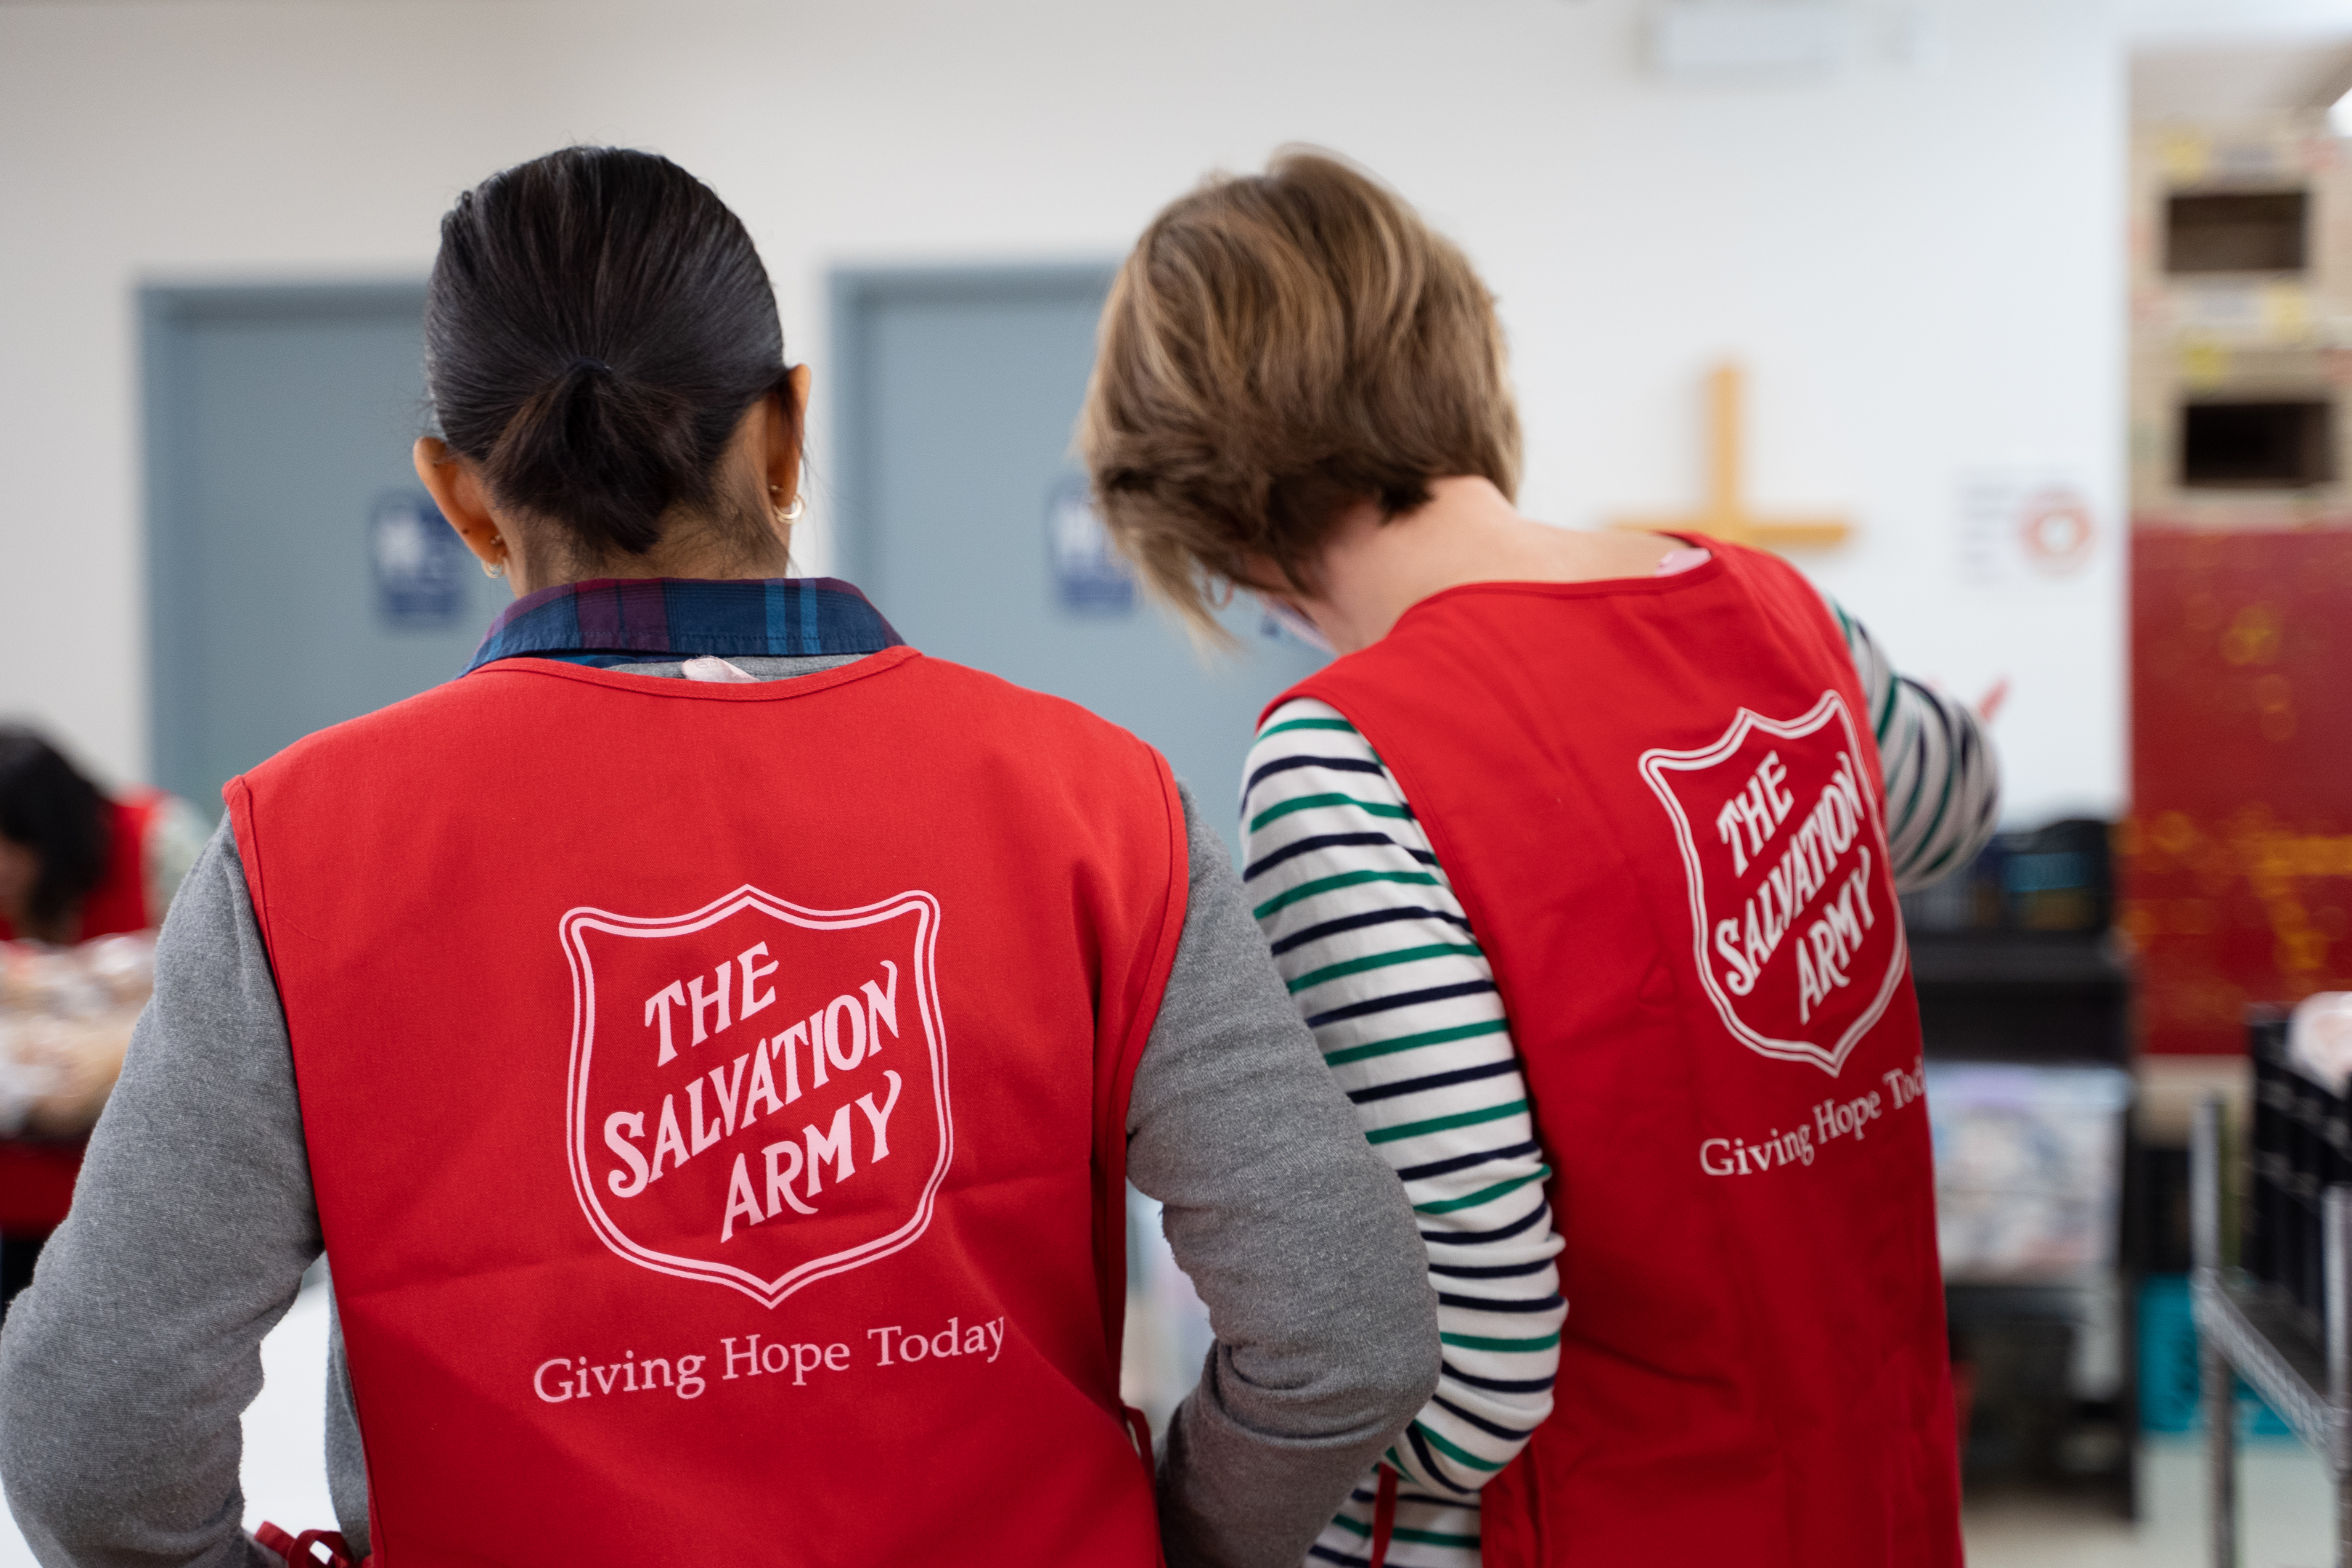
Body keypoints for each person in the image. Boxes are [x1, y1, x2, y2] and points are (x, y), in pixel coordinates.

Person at [0, 147, 1440, 1568]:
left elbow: (94, 1443)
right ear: (787, 432)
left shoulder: (300, 851)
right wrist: (1157, 1544)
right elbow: (1345, 1331)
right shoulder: (1100, 803)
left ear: (458, 494)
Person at [1080, 150, 1997, 1568]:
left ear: (1199, 500)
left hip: (1596, 1523)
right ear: (1456, 352)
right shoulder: (1770, 610)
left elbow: (1465, 1386)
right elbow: (1954, 794)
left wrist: (1201, 1489)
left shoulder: (1355, 757)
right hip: (1862, 1501)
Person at [0, 728, 205, 1311]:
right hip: (18, 1203)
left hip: (142, 1200)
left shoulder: (158, 842)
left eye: (9, 851)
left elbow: (218, 990)